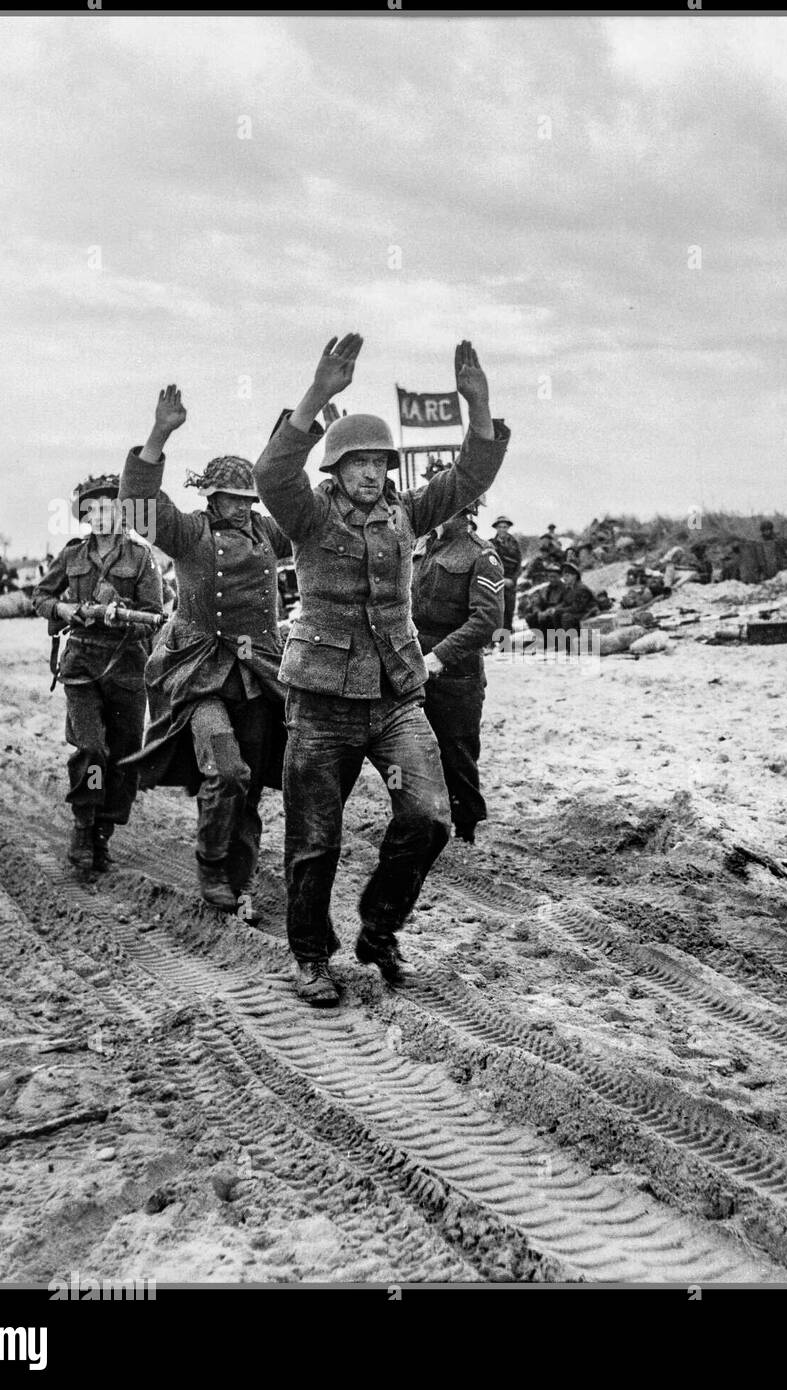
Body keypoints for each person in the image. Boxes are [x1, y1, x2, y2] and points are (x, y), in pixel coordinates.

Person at [254, 333, 510, 1005]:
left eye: (380, 461)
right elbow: (271, 475)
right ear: (336, 467)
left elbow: (470, 477)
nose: (372, 472)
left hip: (395, 696)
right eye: (359, 461)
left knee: (428, 818)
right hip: (320, 700)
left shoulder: (407, 514)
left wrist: (477, 406)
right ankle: (309, 957)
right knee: (316, 839)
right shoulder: (307, 514)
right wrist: (317, 394)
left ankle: (378, 931)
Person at [117, 384, 293, 914]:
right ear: (212, 499)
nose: (242, 510)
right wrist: (160, 433)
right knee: (227, 771)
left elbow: (306, 514)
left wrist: (302, 437)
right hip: (198, 674)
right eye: (232, 501)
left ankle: (236, 881)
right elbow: (138, 506)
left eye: (249, 502)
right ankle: (212, 868)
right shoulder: (189, 535)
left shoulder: (268, 533)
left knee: (253, 783)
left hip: (259, 672)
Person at [32, 474, 164, 871]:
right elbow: (41, 596)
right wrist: (63, 610)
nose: (104, 515)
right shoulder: (72, 555)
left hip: (125, 666)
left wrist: (121, 613)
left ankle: (104, 831)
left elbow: (155, 616)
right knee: (91, 748)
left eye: (112, 507)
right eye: (96, 509)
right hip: (82, 663)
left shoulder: (141, 557)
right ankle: (84, 825)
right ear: (87, 516)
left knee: (124, 756)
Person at [411, 498, 503, 844]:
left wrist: (440, 656)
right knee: (415, 751)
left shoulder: (481, 555)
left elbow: (487, 621)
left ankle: (465, 829)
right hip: (414, 668)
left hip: (456, 674)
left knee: (457, 751)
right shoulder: (421, 548)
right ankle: (425, 822)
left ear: (464, 511)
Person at [489, 515, 521, 633]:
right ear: (496, 528)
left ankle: (505, 643)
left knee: (509, 611)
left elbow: (519, 565)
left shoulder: (515, 544)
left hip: (510, 584)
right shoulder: (491, 544)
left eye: (505, 527)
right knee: (495, 611)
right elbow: (489, 564)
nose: (502, 529)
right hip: (496, 582)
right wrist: (499, 579)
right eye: (500, 527)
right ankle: (492, 642)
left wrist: (512, 580)